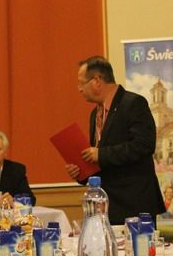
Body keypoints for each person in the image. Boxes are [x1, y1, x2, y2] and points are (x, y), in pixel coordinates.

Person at [66, 56, 165, 224]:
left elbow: (144, 145)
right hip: (106, 206)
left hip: (134, 203)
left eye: (81, 83)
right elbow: (100, 159)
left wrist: (101, 154)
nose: (79, 89)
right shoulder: (95, 114)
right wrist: (82, 172)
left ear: (97, 81)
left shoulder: (133, 103)